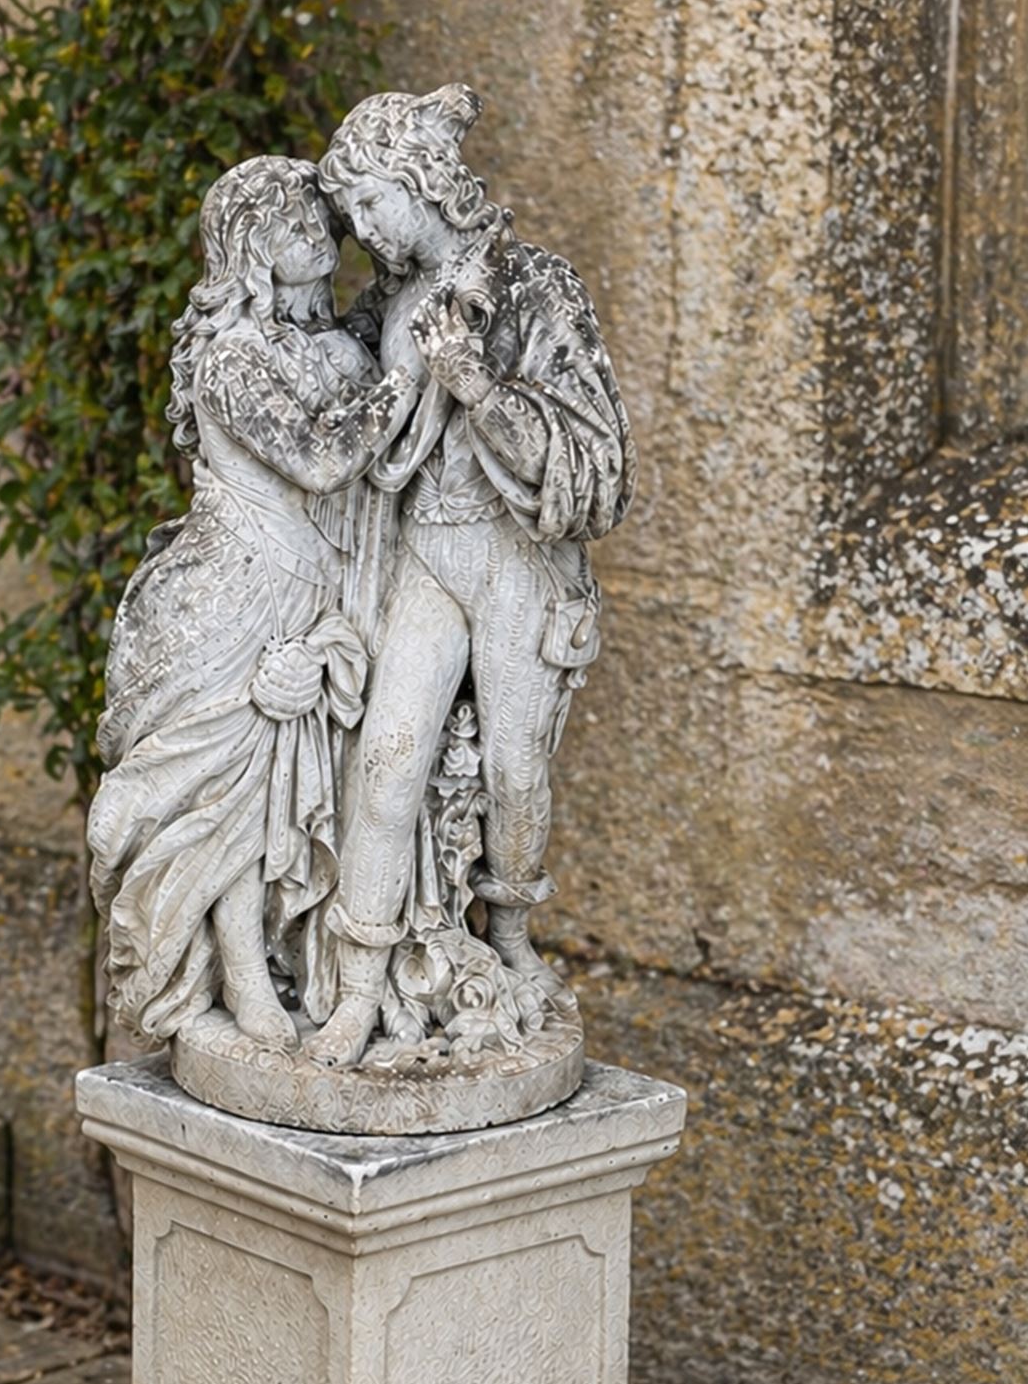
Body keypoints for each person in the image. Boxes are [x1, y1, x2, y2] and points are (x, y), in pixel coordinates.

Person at [305, 85, 636, 1068]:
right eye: (351, 212)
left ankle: (511, 938)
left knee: (514, 771)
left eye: (371, 202)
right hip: (428, 552)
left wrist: (478, 389)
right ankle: (359, 986)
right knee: (388, 757)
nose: (363, 230)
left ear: (420, 182)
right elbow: (349, 421)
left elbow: (601, 467)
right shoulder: (390, 301)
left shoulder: (533, 289)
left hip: (514, 561)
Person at [89, 155, 420, 1048]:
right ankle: (237, 976)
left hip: (308, 589)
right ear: (249, 248)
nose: (314, 233)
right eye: (289, 225)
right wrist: (410, 377)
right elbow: (321, 458)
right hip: (230, 593)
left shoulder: (337, 343)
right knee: (221, 796)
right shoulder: (233, 358)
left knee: (276, 787)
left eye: (317, 217)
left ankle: (274, 965)